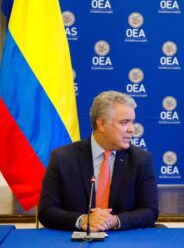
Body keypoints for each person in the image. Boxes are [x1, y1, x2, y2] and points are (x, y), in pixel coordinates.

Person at [38, 91, 159, 231]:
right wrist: (83, 220)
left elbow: (150, 211)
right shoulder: (62, 158)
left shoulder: (141, 160)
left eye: (132, 122)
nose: (131, 129)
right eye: (124, 122)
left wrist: (114, 220)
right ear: (101, 124)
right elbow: (46, 211)